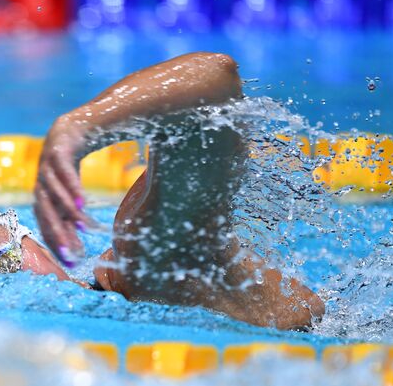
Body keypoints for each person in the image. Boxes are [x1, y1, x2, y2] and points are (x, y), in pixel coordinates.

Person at [34, 51, 325, 330]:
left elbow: (213, 79)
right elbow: (211, 83)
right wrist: (76, 127)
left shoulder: (150, 259)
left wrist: (77, 128)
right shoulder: (145, 264)